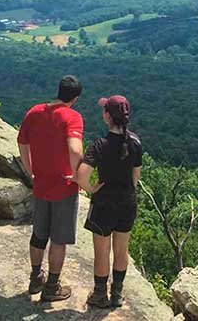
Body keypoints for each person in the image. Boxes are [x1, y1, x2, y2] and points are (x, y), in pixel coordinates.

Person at [17, 75, 100, 302]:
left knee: (39, 234)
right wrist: (77, 175)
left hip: (41, 183)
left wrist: (30, 170)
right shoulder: (72, 117)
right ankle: (52, 287)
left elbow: (22, 142)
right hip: (64, 187)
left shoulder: (34, 112)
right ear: (74, 98)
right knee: (59, 238)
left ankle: (36, 277)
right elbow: (75, 150)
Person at [75, 95, 143, 309]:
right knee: (121, 250)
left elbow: (81, 174)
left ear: (107, 116)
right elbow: (135, 176)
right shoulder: (135, 142)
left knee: (102, 251)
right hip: (127, 202)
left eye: (104, 109)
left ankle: (99, 295)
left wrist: (91, 188)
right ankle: (117, 294)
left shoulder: (100, 144)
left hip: (104, 202)